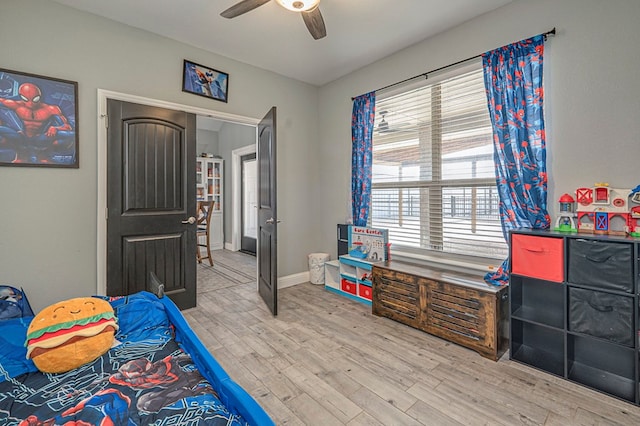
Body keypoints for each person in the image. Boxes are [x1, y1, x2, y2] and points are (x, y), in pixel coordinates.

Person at [0, 82, 75, 163]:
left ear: (39, 96)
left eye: (35, 99)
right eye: (26, 99)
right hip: (21, 138)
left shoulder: (51, 109)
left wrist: (55, 128)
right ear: (21, 96)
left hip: (41, 139)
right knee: (20, 160)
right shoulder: (14, 104)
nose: (30, 103)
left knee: (45, 160)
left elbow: (68, 127)